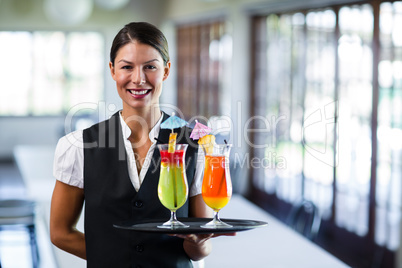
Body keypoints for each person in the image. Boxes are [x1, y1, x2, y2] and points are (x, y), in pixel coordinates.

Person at [50, 22, 233, 268]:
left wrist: (198, 242)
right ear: (112, 70)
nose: (138, 79)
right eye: (127, 67)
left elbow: (199, 249)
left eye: (150, 67)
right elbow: (60, 232)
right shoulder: (78, 146)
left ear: (166, 71)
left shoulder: (197, 146)